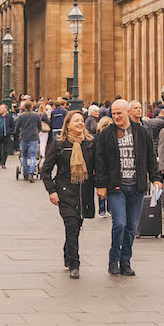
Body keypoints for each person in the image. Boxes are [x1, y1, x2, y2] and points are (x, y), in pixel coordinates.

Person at [94, 99, 162, 276]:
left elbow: (150, 157)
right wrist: (100, 185)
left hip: (137, 187)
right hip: (116, 187)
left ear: (128, 112)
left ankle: (126, 261)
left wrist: (155, 178)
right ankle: (113, 260)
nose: (116, 116)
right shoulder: (107, 134)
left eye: (119, 113)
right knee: (120, 224)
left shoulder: (141, 132)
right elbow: (99, 161)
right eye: (113, 113)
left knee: (132, 226)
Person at [41, 110, 97, 278]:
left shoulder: (90, 143)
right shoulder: (59, 144)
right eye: (76, 121)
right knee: (71, 226)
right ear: (68, 125)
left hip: (84, 193)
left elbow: (98, 166)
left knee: (76, 227)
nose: (80, 123)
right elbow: (46, 170)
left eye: (81, 120)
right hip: (65, 193)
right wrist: (52, 191)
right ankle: (74, 263)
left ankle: (68, 252)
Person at [15, 101, 42, 182]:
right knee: (33, 156)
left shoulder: (21, 116)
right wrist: (37, 132)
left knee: (24, 156)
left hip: (24, 137)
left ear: (24, 107)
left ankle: (25, 174)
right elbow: (40, 127)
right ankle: (31, 173)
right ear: (32, 106)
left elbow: (17, 127)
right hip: (33, 137)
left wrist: (18, 133)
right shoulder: (36, 115)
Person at [95, 115, 113, 217]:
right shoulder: (97, 137)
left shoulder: (112, 136)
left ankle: (109, 209)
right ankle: (102, 209)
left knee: (110, 189)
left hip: (110, 166)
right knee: (101, 188)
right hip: (101, 167)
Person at [0, 103, 15, 168]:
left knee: (5, 150)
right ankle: (0, 159)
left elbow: (12, 126)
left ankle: (3, 162)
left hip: (6, 136)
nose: (0, 109)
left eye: (1, 108)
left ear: (5, 109)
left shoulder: (9, 117)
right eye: (0, 108)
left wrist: (9, 132)